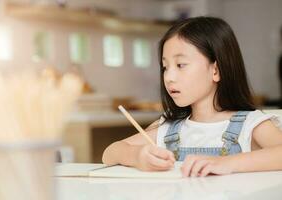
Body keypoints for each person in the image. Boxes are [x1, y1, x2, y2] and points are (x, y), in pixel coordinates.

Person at [102, 16, 282, 177]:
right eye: (165, 67)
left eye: (180, 65)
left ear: (216, 70)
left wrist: (227, 163)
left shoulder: (249, 124)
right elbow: (109, 153)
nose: (169, 77)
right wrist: (137, 156)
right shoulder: (169, 128)